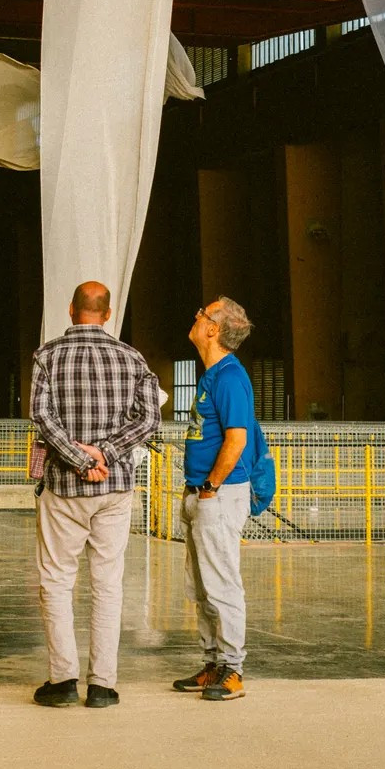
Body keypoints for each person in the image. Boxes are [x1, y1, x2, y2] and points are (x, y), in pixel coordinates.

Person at [29, 279, 161, 709]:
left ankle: (62, 680)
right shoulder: (133, 358)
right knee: (107, 584)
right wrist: (104, 453)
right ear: (107, 314)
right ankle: (102, 684)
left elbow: (42, 417)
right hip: (115, 488)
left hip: (64, 490)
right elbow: (150, 420)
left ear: (71, 310)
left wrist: (79, 458)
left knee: (57, 580)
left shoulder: (47, 355)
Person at [173, 296, 255, 703]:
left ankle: (233, 668)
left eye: (201, 313)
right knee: (201, 585)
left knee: (221, 582)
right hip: (199, 492)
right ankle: (214, 663)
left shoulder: (229, 377)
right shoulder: (209, 376)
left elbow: (237, 439)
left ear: (213, 329)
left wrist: (211, 487)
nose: (195, 315)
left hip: (216, 496)